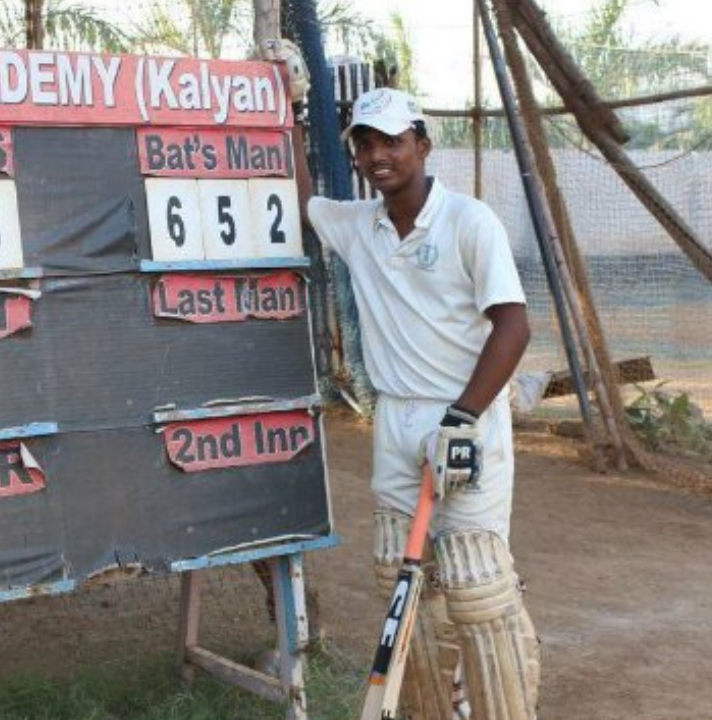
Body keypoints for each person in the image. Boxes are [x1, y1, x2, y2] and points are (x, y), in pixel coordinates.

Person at [266, 41, 541, 720]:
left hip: (466, 418)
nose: (378, 157)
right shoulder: (359, 226)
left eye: (392, 141)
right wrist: (289, 108)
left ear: (422, 143)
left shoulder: (469, 222)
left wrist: (462, 416)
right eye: (365, 145)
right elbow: (304, 200)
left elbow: (513, 327)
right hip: (395, 419)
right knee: (402, 583)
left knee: (475, 582)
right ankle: (429, 710)